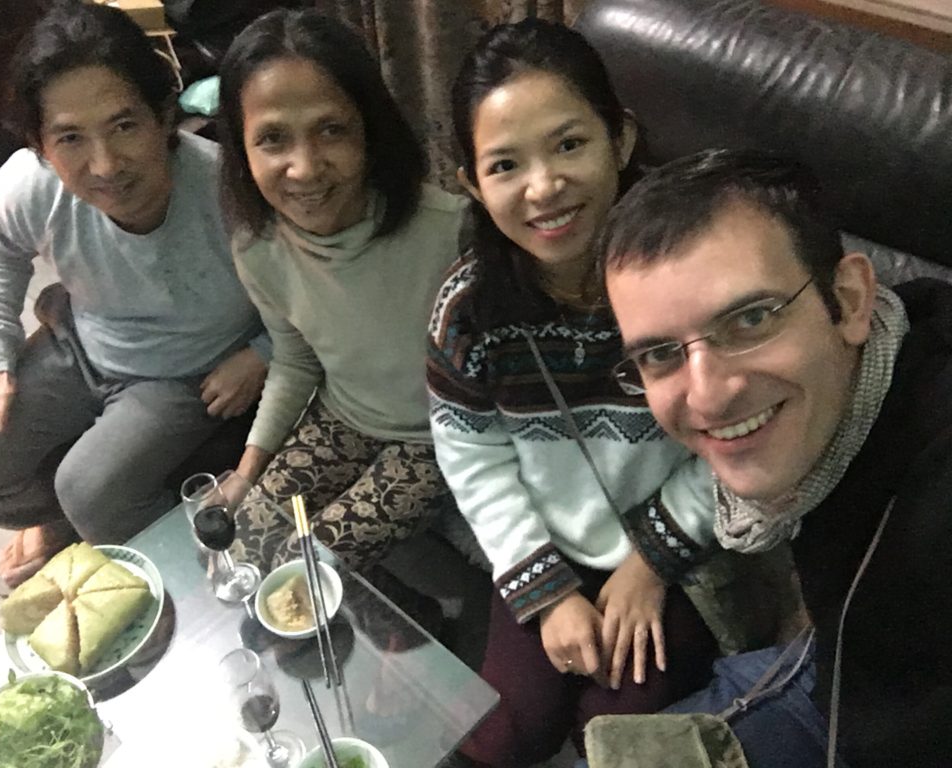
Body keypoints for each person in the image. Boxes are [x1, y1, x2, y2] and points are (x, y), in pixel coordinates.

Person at [426, 20, 721, 767]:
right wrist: (546, 592)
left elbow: (737, 435)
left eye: (568, 144)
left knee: (615, 731)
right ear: (472, 184)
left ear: (620, 140)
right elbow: (473, 458)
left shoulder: (687, 281)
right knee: (499, 737)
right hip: (543, 546)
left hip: (680, 550)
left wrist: (650, 561)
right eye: (505, 165)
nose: (543, 186)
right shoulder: (468, 312)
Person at [601, 148, 952, 768]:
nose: (707, 397)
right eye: (659, 354)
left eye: (751, 319)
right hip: (838, 676)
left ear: (849, 299)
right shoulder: (845, 416)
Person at [0, 2, 270, 594]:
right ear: (40, 146)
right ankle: (68, 524)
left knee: (90, 489)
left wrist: (262, 353)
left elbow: (313, 289)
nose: (106, 165)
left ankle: (190, 591)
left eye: (124, 126)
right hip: (81, 342)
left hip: (180, 375)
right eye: (70, 138)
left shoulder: (228, 192)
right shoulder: (30, 183)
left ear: (164, 114)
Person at [216, 10, 465, 574]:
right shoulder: (258, 248)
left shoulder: (451, 231)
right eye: (272, 139)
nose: (304, 169)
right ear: (242, 148)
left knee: (307, 568)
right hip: (342, 418)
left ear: (369, 130)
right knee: (244, 544)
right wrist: (247, 472)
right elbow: (295, 359)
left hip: (436, 439)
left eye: (331, 130)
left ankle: (432, 610)